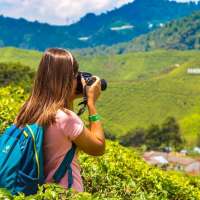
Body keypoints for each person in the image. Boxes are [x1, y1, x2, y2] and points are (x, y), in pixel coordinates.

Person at [14, 48, 105, 193]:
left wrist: (68, 98)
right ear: (67, 80)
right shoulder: (65, 118)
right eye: (75, 76)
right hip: (64, 193)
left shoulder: (26, 112)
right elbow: (98, 147)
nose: (78, 80)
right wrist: (91, 104)